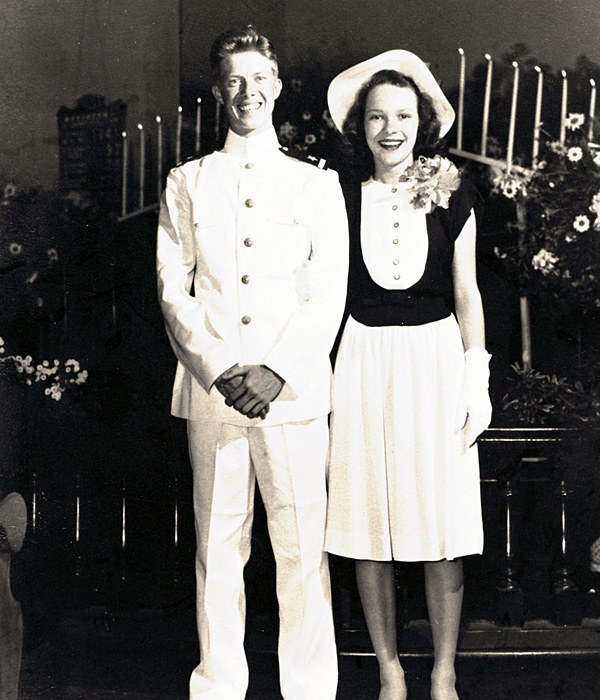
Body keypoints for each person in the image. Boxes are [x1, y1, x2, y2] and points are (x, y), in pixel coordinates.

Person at [156, 26, 348, 700]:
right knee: (218, 550)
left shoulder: (315, 185)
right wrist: (218, 367)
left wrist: (277, 371)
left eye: (258, 78)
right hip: (214, 395)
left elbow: (329, 289)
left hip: (290, 396)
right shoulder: (188, 182)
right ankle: (216, 686)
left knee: (300, 553)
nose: (247, 92)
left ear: (277, 86)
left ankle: (309, 688)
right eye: (234, 79)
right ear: (217, 89)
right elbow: (171, 289)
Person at [324, 50, 492, 700]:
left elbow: (468, 292)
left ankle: (444, 672)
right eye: (376, 117)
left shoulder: (453, 189)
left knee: (441, 524)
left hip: (435, 357)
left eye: (401, 114)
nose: (389, 128)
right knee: (366, 522)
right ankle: (391, 672)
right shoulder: (338, 196)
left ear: (422, 120)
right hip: (363, 358)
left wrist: (475, 375)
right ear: (360, 127)